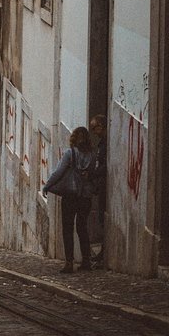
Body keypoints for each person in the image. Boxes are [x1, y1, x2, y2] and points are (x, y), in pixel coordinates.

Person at [43, 127, 97, 273]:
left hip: (70, 195)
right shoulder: (92, 155)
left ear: (73, 138)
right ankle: (86, 260)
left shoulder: (70, 153)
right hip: (85, 196)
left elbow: (59, 172)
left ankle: (69, 263)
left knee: (67, 228)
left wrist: (47, 186)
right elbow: (91, 173)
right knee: (82, 227)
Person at [90, 114, 107, 266]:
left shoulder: (106, 143)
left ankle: (104, 252)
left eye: (94, 128)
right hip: (100, 185)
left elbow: (105, 165)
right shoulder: (103, 143)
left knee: (103, 218)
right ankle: (103, 251)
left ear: (101, 126)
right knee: (101, 218)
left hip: (104, 185)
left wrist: (93, 174)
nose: (94, 132)